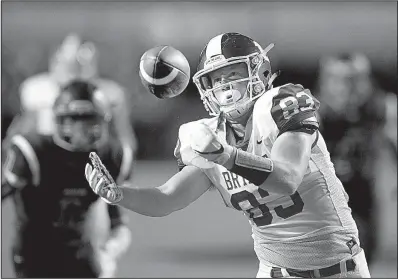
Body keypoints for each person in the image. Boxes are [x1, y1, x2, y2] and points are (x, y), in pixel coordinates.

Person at [85, 32, 371, 278]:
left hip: (337, 268)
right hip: (274, 269)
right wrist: (119, 194)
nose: (224, 86)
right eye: (216, 79)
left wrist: (226, 156)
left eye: (233, 74)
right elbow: (166, 198)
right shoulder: (208, 136)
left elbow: (287, 179)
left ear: (258, 73)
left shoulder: (280, 106)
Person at [2, 80, 133, 278]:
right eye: (74, 119)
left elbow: (120, 226)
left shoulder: (112, 156)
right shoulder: (33, 151)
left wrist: (108, 252)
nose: (82, 129)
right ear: (58, 120)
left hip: (82, 254)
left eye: (90, 120)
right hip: (34, 257)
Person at [4, 33, 137, 166]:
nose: (75, 73)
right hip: (48, 159)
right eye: (71, 65)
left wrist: (124, 161)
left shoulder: (110, 94)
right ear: (57, 61)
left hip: (95, 159)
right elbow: (23, 130)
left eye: (79, 66)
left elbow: (125, 137)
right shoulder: (36, 90)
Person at [315, 53, 387, 265]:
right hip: (323, 190)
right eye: (338, 81)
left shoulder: (380, 108)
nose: (346, 89)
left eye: (352, 81)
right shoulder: (312, 112)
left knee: (365, 248)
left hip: (362, 188)